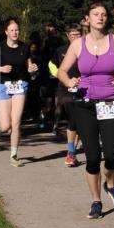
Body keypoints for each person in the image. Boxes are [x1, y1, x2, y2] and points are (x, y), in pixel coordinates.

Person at [57, 1, 114, 217]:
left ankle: (111, 185)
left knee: (111, 156)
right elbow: (62, 71)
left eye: (103, 14)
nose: (100, 17)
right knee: (92, 157)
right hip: (85, 105)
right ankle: (96, 201)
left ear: (107, 19)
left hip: (110, 103)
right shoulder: (78, 45)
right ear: (87, 19)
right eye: (95, 14)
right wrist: (68, 81)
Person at [0, 18, 38, 167]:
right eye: (12, 30)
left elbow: (29, 66)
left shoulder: (24, 47)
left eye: (17, 30)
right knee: (5, 126)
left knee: (16, 122)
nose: (15, 32)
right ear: (6, 32)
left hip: (20, 86)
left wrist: (32, 69)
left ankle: (13, 155)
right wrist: (0, 69)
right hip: (2, 86)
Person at [50, 24, 82, 167]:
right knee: (73, 119)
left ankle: (72, 153)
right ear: (68, 36)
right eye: (73, 34)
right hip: (66, 89)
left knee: (81, 121)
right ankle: (71, 153)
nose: (75, 37)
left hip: (84, 89)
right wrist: (60, 76)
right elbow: (51, 65)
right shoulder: (61, 50)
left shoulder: (87, 49)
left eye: (78, 34)